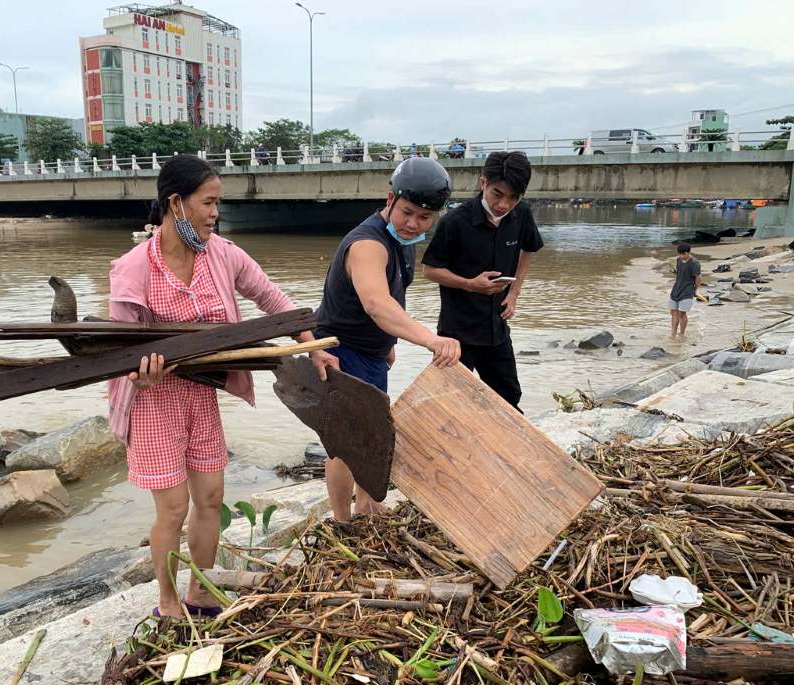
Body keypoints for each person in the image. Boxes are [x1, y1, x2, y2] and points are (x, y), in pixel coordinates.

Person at [107, 154, 337, 619]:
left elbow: (273, 299)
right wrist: (141, 371)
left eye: (218, 203)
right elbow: (118, 347)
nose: (215, 213)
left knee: (210, 497)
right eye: (208, 202)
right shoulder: (135, 267)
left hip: (201, 394)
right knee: (172, 509)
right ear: (176, 203)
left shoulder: (223, 254)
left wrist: (312, 346)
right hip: (155, 401)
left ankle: (202, 591)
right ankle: (168, 604)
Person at [314, 157, 461, 521]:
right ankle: (342, 520)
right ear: (390, 198)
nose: (413, 224)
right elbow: (376, 303)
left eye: (424, 218)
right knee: (344, 445)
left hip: (372, 354)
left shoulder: (403, 239)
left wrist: (389, 344)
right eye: (407, 212)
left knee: (374, 434)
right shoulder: (368, 244)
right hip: (339, 352)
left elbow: (394, 295)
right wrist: (430, 339)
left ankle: (368, 504)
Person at [422, 151, 543, 412]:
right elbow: (429, 270)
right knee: (449, 402)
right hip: (457, 333)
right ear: (483, 182)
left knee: (509, 396)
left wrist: (514, 294)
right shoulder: (455, 222)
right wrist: (469, 284)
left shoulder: (521, 214)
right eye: (498, 194)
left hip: (496, 328)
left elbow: (529, 249)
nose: (503, 204)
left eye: (513, 197)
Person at [669, 242, 701, 338]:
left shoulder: (694, 263)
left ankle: (682, 334)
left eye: (683, 254)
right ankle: (673, 333)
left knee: (682, 313)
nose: (681, 256)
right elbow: (679, 273)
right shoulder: (679, 260)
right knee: (673, 312)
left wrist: (694, 291)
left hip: (687, 291)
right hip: (676, 289)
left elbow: (698, 279)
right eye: (679, 254)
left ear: (687, 253)